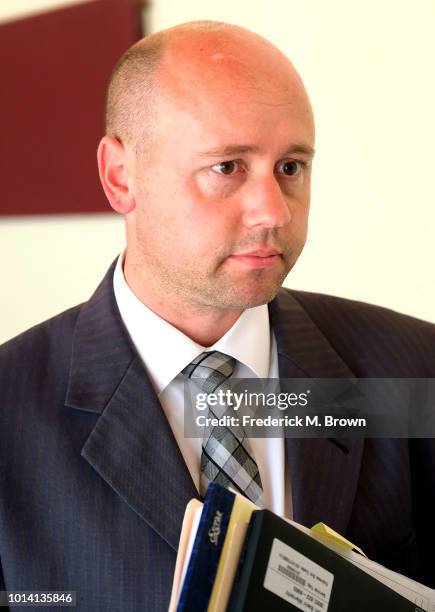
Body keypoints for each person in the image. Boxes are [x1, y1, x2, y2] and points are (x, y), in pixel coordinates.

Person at [0, 20, 434, 611]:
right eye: (228, 167)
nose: (271, 213)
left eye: (291, 167)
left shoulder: (414, 370)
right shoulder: (10, 407)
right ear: (119, 176)